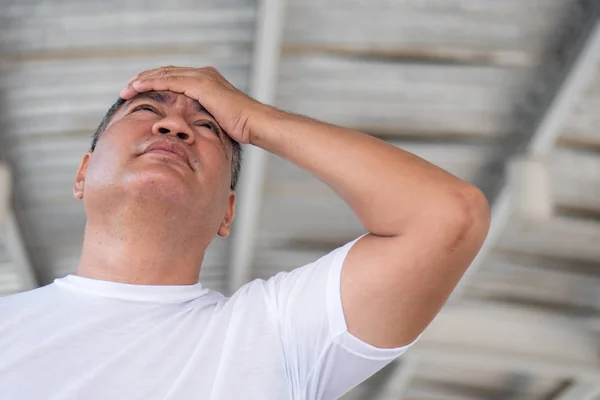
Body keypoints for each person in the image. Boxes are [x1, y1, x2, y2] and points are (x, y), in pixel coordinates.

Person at [0, 66, 490, 399]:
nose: (174, 127)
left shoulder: (274, 334)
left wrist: (254, 119)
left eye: (209, 127)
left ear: (227, 213)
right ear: (82, 174)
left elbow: (448, 216)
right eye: (146, 111)